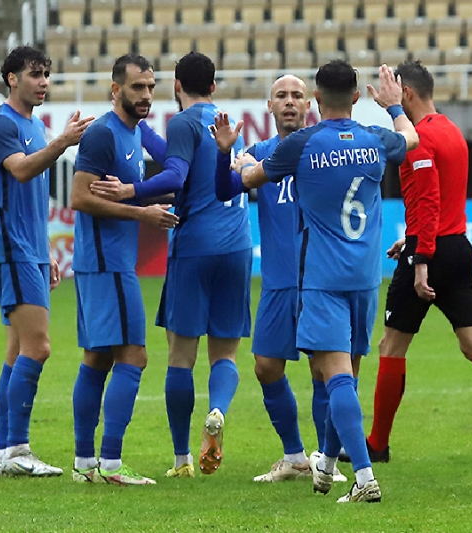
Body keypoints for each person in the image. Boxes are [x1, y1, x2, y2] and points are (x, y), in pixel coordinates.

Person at [219, 61, 418, 503]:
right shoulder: (373, 139)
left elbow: (248, 179)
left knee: (335, 377)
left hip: (323, 278)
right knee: (339, 375)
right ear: (355, 96)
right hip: (366, 277)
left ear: (315, 100)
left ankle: (364, 479)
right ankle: (325, 462)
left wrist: (244, 160)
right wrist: (393, 106)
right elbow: (411, 139)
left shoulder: (305, 144)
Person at [364, 60, 472, 463]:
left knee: (391, 346)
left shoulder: (419, 139)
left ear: (406, 93)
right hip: (457, 245)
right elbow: (439, 201)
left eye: (394, 94)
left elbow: (426, 200)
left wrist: (420, 256)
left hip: (431, 250)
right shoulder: (451, 130)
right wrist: (410, 239)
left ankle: (378, 442)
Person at [96, 51, 252, 478]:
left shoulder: (181, 122)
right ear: (214, 86)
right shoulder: (221, 121)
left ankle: (182, 458)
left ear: (175, 87)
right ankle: (217, 410)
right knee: (226, 353)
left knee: (181, 357)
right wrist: (141, 130)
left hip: (196, 246)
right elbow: (180, 158)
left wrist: (131, 190)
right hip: (237, 245)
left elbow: (176, 175)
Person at [213, 75, 346, 484]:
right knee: (266, 367)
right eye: (281, 96)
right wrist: (223, 156)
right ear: (269, 106)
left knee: (325, 370)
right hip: (277, 282)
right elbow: (224, 190)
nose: (289, 102)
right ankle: (295, 456)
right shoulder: (257, 154)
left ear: (310, 104)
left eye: (297, 96)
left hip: (320, 278)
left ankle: (327, 460)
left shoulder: (324, 147)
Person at [0, 45, 93, 476]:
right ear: (12, 78)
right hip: (9, 247)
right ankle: (17, 451)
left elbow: (34, 193)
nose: (43, 82)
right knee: (38, 347)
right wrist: (63, 141)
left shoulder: (36, 125)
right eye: (34, 74)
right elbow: (22, 171)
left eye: (47, 74)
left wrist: (45, 247)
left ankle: (3, 452)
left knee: (17, 349)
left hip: (28, 247)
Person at [69, 54, 177, 486]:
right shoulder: (102, 135)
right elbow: (79, 198)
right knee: (134, 355)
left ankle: (83, 464)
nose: (146, 95)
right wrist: (142, 214)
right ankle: (111, 464)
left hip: (105, 261)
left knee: (97, 359)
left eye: (150, 87)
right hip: (107, 261)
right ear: (116, 90)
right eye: (137, 87)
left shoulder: (134, 133)